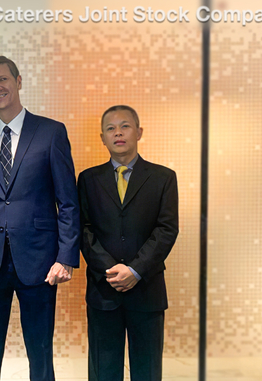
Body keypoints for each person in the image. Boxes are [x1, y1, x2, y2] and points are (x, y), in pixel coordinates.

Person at [0, 56, 80, 381]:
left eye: (3, 79)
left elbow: (68, 201)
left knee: (40, 351)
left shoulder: (51, 132)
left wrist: (66, 257)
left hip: (40, 260)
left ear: (18, 81)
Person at [78, 105, 179, 381]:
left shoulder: (163, 178)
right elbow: (83, 229)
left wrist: (135, 270)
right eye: (110, 128)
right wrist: (111, 269)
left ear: (139, 132)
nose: (118, 133)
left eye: (125, 126)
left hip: (147, 289)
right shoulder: (88, 179)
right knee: (103, 371)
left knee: (147, 371)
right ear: (102, 138)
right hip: (103, 289)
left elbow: (167, 229)